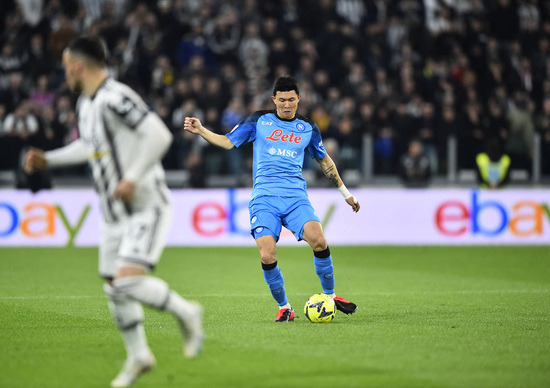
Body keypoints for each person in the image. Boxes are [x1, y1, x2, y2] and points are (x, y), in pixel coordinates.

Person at [24, 35, 204, 388]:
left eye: (66, 67)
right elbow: (88, 146)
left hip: (144, 205)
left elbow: (159, 135)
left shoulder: (115, 97)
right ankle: (138, 355)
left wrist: (132, 176)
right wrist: (50, 159)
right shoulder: (86, 104)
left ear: (78, 66)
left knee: (127, 279)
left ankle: (187, 312)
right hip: (113, 215)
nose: (65, 74)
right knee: (113, 286)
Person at [184, 75, 360, 322]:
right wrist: (201, 129)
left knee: (319, 240)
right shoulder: (258, 121)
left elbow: (324, 161)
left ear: (299, 98)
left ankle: (330, 296)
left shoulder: (308, 128)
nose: (286, 105)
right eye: (281, 100)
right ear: (273, 100)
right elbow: (226, 142)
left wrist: (346, 194)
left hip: (296, 197)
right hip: (264, 199)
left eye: (291, 100)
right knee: (267, 254)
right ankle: (285, 307)